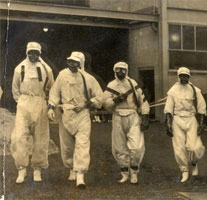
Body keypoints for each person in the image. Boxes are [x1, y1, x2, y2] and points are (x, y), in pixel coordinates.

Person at [47, 51, 103, 189]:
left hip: (82, 114)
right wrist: (51, 107)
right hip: (66, 113)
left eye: (76, 62)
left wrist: (86, 104)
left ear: (81, 63)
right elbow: (54, 92)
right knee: (67, 145)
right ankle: (71, 168)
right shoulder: (62, 75)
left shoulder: (88, 78)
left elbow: (99, 97)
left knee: (82, 144)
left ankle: (80, 175)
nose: (72, 64)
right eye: (70, 61)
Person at [10, 42, 54, 183]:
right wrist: (22, 102)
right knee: (19, 137)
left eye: (36, 53)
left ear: (39, 54)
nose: (33, 55)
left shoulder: (47, 69)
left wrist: (43, 101)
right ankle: (21, 169)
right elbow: (15, 89)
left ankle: (37, 169)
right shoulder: (19, 68)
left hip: (40, 101)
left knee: (41, 136)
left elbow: (51, 87)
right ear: (27, 53)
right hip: (23, 103)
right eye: (31, 52)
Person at [101, 61, 150, 184]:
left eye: (123, 70)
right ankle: (124, 173)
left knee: (137, 146)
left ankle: (134, 172)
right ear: (114, 71)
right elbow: (105, 104)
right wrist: (116, 100)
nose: (121, 72)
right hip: (117, 116)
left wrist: (145, 117)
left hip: (133, 116)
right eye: (118, 70)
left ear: (127, 71)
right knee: (119, 147)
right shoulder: (111, 85)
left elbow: (142, 100)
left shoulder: (132, 84)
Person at [164, 67, 206, 183]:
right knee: (179, 147)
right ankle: (184, 170)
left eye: (186, 76)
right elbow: (168, 109)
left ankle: (194, 162)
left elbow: (201, 108)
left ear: (189, 77)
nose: (184, 78)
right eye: (182, 75)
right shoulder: (173, 91)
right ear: (178, 76)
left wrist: (201, 123)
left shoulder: (195, 90)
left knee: (195, 147)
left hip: (191, 118)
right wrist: (168, 124)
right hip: (177, 119)